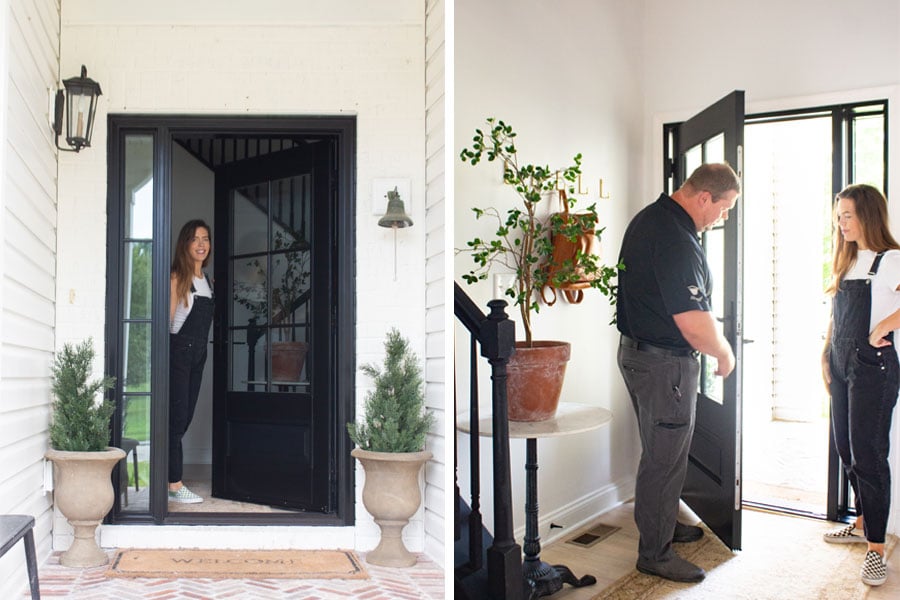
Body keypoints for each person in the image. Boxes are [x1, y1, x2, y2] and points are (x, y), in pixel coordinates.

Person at [616, 162, 740, 583]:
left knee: (660, 452)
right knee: (664, 460)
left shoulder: (651, 219)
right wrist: (724, 354)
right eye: (723, 209)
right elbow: (691, 320)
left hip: (640, 356)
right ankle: (655, 552)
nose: (722, 218)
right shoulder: (675, 238)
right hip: (663, 363)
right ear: (704, 197)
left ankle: (662, 525)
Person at [821, 184, 900, 587]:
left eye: (847, 215)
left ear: (868, 215)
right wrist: (825, 353)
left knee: (869, 456)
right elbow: (839, 313)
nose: (841, 223)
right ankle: (863, 521)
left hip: (874, 368)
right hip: (840, 361)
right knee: (846, 449)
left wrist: (884, 326)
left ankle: (875, 551)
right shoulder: (848, 260)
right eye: (839, 216)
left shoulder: (890, 260)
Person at [168, 219, 214, 504]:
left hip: (198, 354)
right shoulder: (177, 278)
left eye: (205, 239)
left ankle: (167, 475)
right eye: (195, 239)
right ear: (185, 244)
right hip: (179, 353)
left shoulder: (207, 281)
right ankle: (174, 485)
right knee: (175, 419)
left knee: (184, 418)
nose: (201, 244)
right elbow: (166, 323)